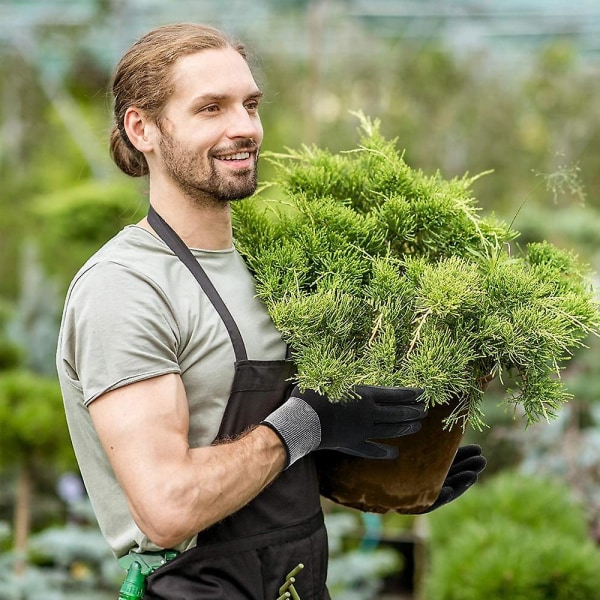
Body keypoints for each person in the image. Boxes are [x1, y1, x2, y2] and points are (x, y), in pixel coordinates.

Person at [56, 23, 485, 600]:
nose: (244, 128)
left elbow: (277, 454)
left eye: (250, 105)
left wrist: (395, 477)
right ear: (143, 128)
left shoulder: (269, 268)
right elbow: (167, 507)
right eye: (210, 108)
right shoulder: (126, 289)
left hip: (300, 578)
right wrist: (308, 422)